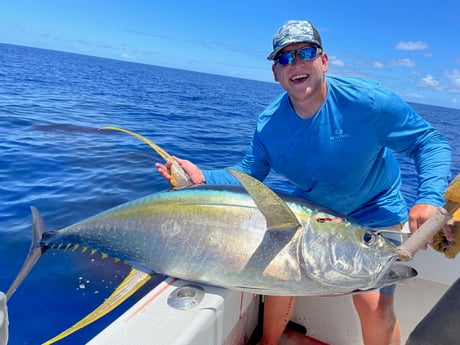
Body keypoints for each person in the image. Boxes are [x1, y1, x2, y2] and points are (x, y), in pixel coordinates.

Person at [155, 20, 452, 345]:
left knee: (372, 305)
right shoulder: (269, 126)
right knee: (278, 273)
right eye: (284, 58)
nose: (295, 63)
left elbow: (429, 142)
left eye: (305, 52)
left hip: (375, 211)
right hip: (314, 211)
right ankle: (269, 342)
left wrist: (429, 196)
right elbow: (247, 172)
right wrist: (203, 178)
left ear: (323, 61)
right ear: (276, 74)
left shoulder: (368, 102)